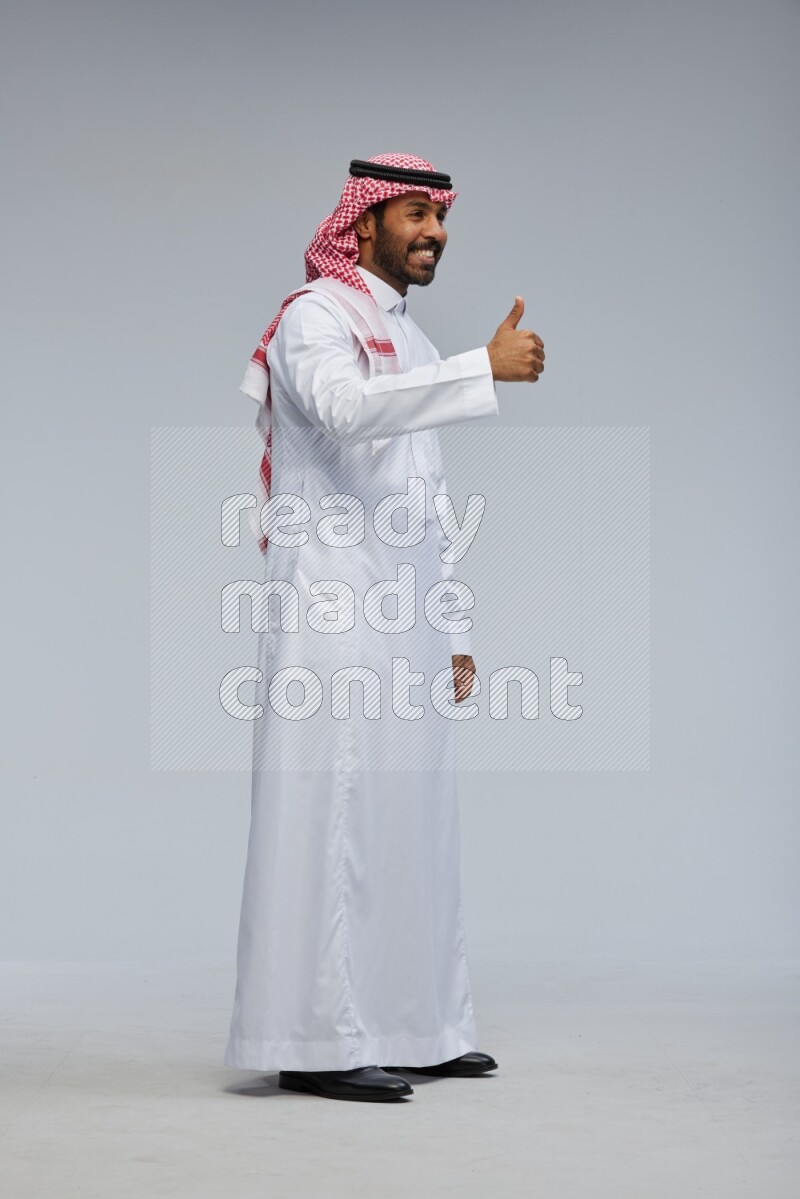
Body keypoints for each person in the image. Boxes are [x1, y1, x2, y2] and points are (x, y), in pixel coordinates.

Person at [224, 153, 545, 1102]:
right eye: (415, 213)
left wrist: (449, 624)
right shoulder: (315, 317)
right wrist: (480, 368)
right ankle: (313, 1041)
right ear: (362, 224)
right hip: (330, 610)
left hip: (402, 619)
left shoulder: (406, 337)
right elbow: (345, 411)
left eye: (441, 217)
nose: (434, 232)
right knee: (330, 819)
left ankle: (418, 1025)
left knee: (414, 820)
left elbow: (424, 496)